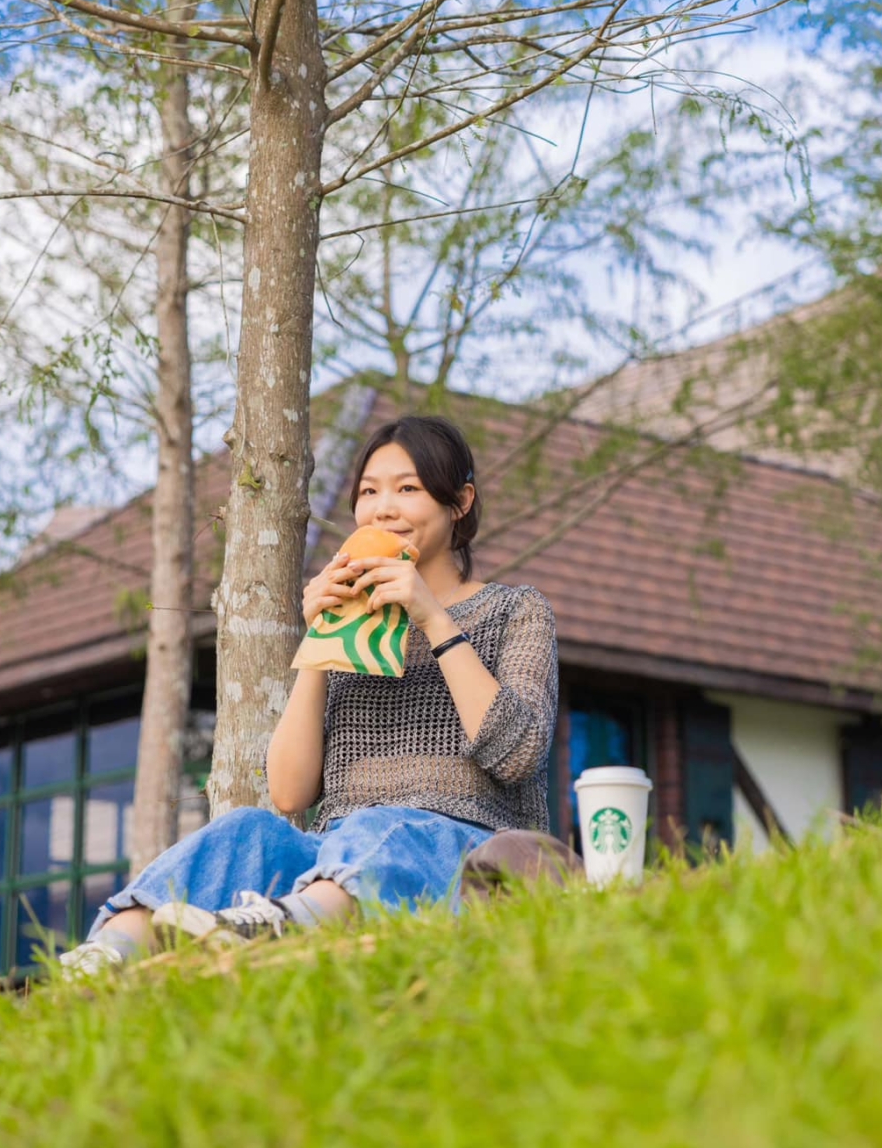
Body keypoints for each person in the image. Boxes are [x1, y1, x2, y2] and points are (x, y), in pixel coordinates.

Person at [59, 414, 558, 975]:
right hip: (334, 852)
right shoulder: (355, 630)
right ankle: (105, 954)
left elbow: (518, 754)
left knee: (384, 823)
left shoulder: (515, 610)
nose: (383, 509)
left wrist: (433, 617)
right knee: (242, 829)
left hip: (461, 851)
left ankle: (281, 929)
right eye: (368, 492)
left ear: (460, 501)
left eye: (408, 489)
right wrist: (321, 639)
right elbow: (291, 793)